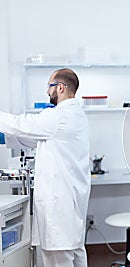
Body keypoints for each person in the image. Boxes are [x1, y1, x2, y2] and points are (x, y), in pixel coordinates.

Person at [0, 68, 90, 267]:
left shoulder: (58, 116)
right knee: (75, 256)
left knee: (59, 259)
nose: (47, 92)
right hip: (70, 208)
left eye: (49, 87)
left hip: (60, 208)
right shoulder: (76, 115)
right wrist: (5, 138)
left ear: (60, 87)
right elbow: (35, 139)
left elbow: (21, 124)